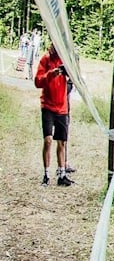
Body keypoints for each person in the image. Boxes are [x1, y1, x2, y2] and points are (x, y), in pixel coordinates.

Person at [34, 42, 73, 186]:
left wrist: (69, 74)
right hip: (48, 106)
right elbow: (37, 82)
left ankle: (62, 174)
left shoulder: (65, 59)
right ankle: (46, 174)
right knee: (48, 140)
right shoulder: (46, 59)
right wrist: (51, 74)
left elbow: (74, 77)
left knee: (61, 142)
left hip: (62, 107)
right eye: (54, 47)